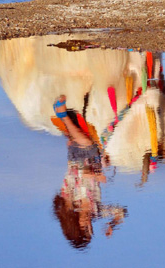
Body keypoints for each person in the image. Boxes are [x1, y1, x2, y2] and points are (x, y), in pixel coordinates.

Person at [52, 96, 127, 248]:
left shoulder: (70, 204)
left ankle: (63, 115)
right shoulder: (96, 211)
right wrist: (113, 224)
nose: (89, 225)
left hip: (77, 158)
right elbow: (121, 212)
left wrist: (94, 175)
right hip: (94, 158)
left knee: (88, 145)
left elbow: (74, 174)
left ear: (75, 225)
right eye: (90, 230)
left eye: (84, 228)